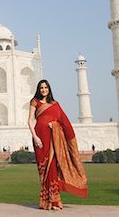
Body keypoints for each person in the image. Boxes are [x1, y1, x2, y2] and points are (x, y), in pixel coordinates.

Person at [28, 79, 88, 210]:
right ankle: (46, 201)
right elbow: (31, 120)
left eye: (46, 87)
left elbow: (64, 121)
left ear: (49, 89)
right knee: (43, 170)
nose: (43, 90)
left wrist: (55, 126)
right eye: (41, 88)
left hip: (53, 138)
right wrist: (35, 137)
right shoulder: (35, 102)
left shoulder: (55, 104)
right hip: (40, 138)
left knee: (53, 168)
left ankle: (55, 201)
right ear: (39, 89)